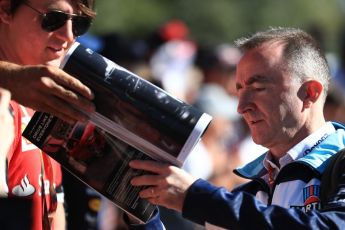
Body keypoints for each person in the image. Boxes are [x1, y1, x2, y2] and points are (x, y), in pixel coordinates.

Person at [127, 27, 345, 229]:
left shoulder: (339, 163)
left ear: (310, 93)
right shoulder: (253, 188)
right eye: (239, 90)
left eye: (258, 88)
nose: (241, 107)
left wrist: (196, 197)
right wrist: (140, 216)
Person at [0, 0, 96, 229]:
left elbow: (54, 208)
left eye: (80, 24)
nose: (69, 36)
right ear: (5, 9)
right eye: (54, 18)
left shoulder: (43, 98)